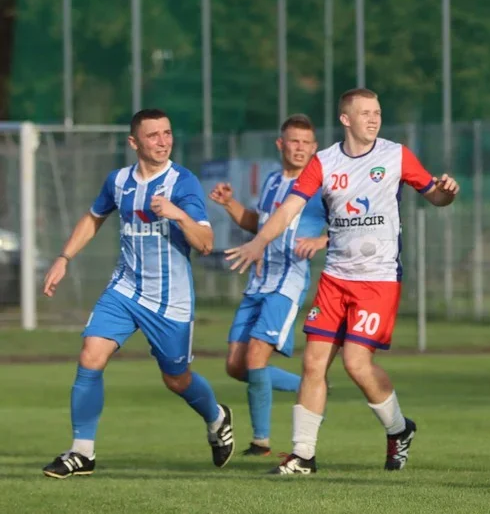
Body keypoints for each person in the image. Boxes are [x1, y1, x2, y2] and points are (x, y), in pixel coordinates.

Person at [225, 88, 459, 475]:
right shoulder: (324, 162)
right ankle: (303, 455)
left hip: (378, 278)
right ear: (345, 119)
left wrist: (447, 193)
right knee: (313, 363)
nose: (374, 118)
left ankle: (399, 429)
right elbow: (289, 210)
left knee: (355, 362)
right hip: (335, 278)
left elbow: (435, 196)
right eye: (365, 112)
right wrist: (258, 242)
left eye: (378, 112)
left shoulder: (395, 155)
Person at [40, 109, 235, 478]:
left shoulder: (183, 182)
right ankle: (82, 452)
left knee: (176, 379)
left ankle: (217, 416)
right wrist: (64, 257)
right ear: (134, 142)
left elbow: (206, 243)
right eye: (153, 136)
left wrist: (177, 213)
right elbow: (94, 216)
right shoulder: (118, 181)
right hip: (125, 289)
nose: (163, 142)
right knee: (90, 355)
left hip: (170, 300)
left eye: (167, 133)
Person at [209, 114, 329, 455]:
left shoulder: (321, 187)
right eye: (294, 141)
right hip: (258, 280)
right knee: (236, 364)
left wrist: (321, 241)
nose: (300, 148)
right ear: (281, 144)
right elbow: (260, 225)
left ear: (315, 147)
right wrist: (230, 204)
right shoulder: (274, 180)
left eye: (307, 143)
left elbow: (350, 226)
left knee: (257, 355)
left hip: (287, 283)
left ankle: (260, 441)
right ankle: (312, 385)